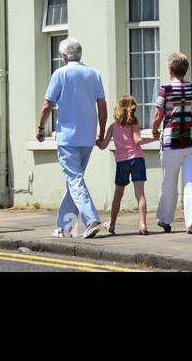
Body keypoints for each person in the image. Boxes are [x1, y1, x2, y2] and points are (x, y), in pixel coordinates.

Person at [37, 37, 106, 239]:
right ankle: (65, 228)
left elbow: (47, 105)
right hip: (87, 137)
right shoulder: (94, 74)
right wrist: (101, 132)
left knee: (74, 180)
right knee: (74, 182)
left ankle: (91, 220)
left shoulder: (60, 74)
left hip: (68, 137)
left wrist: (41, 127)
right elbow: (102, 106)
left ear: (65, 57)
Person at [150, 52, 192, 234]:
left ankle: (165, 220)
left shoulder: (165, 90)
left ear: (170, 70)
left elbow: (158, 115)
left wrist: (154, 130)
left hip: (172, 141)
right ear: (185, 70)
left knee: (169, 181)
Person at [95, 95, 149, 235]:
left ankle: (112, 224)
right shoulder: (134, 123)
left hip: (122, 162)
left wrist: (96, 140)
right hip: (137, 159)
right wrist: (154, 138)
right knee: (140, 194)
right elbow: (137, 140)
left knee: (118, 195)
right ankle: (143, 224)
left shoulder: (113, 127)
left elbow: (102, 146)